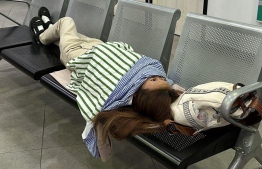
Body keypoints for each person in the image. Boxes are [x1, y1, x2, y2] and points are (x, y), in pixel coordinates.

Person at [30, 7, 184, 160]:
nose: (157, 76)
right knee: (70, 34)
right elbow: (172, 88)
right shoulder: (153, 87)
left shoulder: (120, 91)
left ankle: (42, 35)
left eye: (153, 79)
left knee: (66, 22)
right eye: (160, 79)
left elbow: (95, 110)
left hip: (77, 53)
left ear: (136, 91)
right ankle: (49, 27)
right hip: (99, 47)